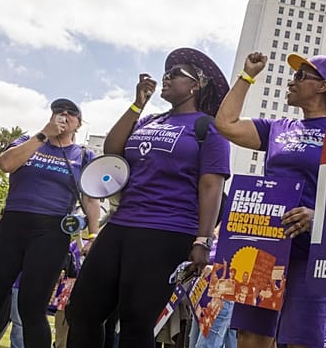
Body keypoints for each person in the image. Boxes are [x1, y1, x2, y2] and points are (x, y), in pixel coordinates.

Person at [66, 48, 231, 347]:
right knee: (82, 311)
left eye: (175, 74)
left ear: (196, 85)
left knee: (137, 319)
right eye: (166, 73)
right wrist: (137, 104)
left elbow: (211, 186)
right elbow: (113, 151)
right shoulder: (149, 121)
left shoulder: (208, 128)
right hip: (122, 224)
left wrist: (202, 240)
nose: (166, 78)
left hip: (168, 230)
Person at [215, 52, 326, 348]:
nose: (291, 81)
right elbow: (226, 123)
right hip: (262, 248)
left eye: (300, 76)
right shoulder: (276, 128)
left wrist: (317, 216)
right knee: (251, 337)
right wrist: (248, 75)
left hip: (310, 253)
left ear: (323, 86)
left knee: (302, 340)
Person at [0, 98, 100, 347]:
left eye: (71, 113)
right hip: (13, 225)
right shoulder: (29, 140)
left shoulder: (83, 155)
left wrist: (93, 237)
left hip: (51, 232)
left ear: (78, 124)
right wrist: (42, 136)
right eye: (58, 111)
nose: (63, 115)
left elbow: (91, 199)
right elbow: (6, 163)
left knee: (32, 308)